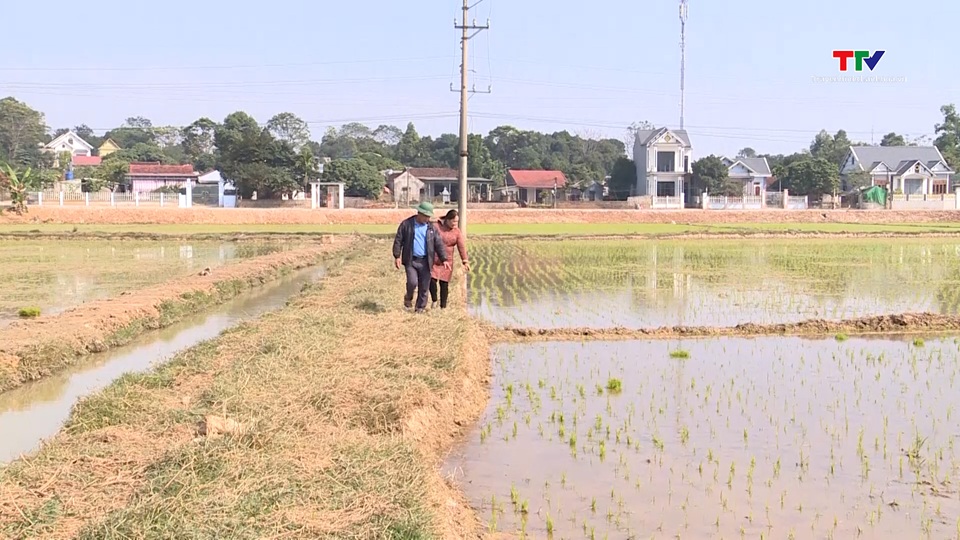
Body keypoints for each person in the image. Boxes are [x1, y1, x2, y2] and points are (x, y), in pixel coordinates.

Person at [393, 201, 450, 313]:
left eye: (429, 216)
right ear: (419, 213)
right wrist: (397, 256)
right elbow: (398, 240)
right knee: (412, 282)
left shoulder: (431, 228)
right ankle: (408, 298)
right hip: (411, 259)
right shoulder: (407, 224)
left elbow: (438, 244)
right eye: (426, 216)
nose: (427, 219)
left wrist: (444, 259)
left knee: (424, 286)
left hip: (426, 261)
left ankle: (420, 308)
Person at [430, 209, 469, 309]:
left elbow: (461, 247)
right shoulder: (436, 226)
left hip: (447, 261)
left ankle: (443, 306)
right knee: (432, 280)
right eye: (453, 221)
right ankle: (434, 300)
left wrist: (465, 260)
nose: (455, 224)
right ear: (447, 219)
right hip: (434, 258)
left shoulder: (457, 232)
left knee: (444, 283)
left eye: (457, 222)